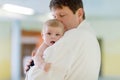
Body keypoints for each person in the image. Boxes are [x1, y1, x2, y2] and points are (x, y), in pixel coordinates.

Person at [25, 0, 101, 80]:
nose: (57, 21)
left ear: (79, 13)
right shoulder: (89, 35)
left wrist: (30, 70)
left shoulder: (72, 36)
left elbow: (37, 77)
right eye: (54, 16)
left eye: (62, 15)